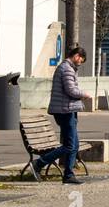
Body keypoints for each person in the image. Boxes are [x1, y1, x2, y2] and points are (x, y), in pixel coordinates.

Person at [36, 45, 90, 185]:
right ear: (77, 55)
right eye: (81, 60)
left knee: (74, 144)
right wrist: (84, 94)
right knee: (70, 145)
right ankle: (39, 163)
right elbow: (71, 90)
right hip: (65, 110)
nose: (80, 63)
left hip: (67, 110)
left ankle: (68, 175)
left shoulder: (67, 68)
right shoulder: (66, 69)